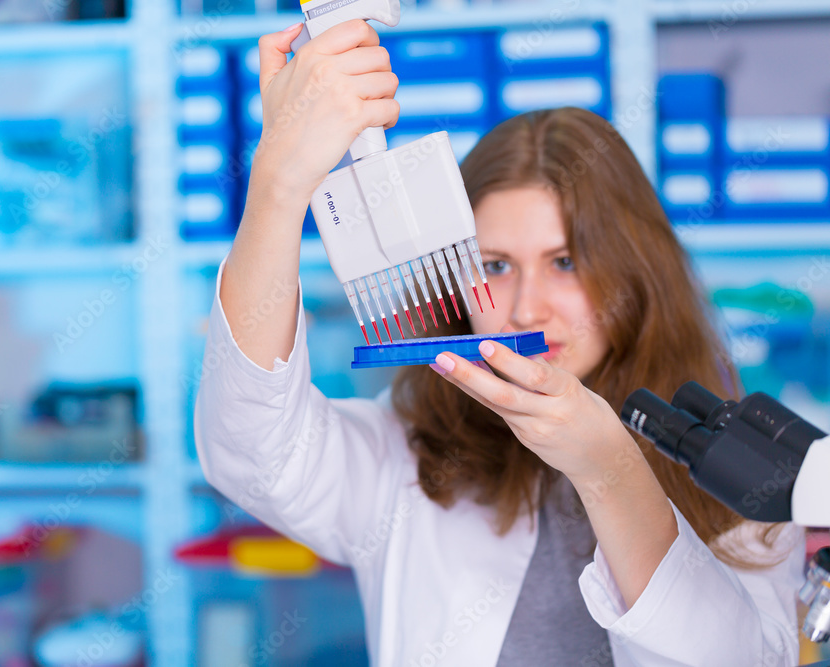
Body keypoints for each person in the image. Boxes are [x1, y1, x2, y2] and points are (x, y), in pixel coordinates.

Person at [194, 18, 805, 666]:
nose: (522, 307)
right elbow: (250, 449)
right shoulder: (400, 459)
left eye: (566, 262)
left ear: (636, 273)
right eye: (494, 264)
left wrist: (614, 472)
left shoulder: (743, 472)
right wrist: (278, 184)